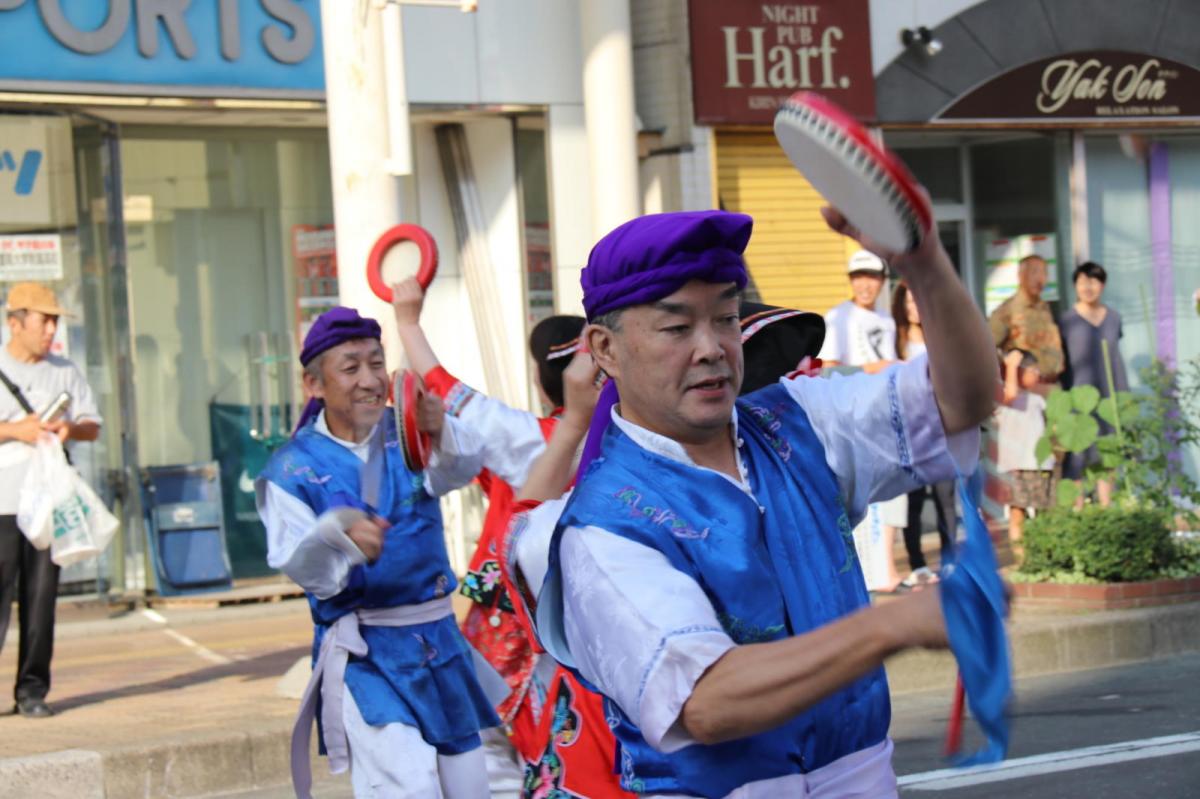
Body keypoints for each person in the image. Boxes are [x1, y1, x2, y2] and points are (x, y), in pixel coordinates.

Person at [522, 207, 996, 797]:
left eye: (725, 317)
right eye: (677, 328)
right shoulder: (603, 527)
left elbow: (963, 400)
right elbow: (706, 701)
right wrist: (892, 624)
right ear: (606, 350)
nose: (712, 348)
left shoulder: (800, 423)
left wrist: (923, 264)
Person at [390, 278, 633, 799]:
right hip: (582, 641)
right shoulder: (636, 444)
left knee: (501, 766)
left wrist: (407, 320)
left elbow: (447, 392)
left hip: (505, 642)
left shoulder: (525, 442)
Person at [255, 306, 499, 799]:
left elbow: (463, 467)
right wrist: (337, 538)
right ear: (314, 384)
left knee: (471, 787)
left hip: (439, 641)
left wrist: (442, 427)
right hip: (368, 653)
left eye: (376, 363)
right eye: (351, 367)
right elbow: (303, 568)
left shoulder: (406, 432)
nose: (370, 380)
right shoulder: (291, 470)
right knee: (406, 787)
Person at [0, 282, 101, 719]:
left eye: (55, 321)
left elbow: (91, 424)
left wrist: (68, 430)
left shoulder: (65, 371)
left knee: (41, 599)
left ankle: (32, 691)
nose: (50, 330)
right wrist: (12, 430)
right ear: (15, 322)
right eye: (44, 320)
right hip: (3, 502)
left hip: (50, 501)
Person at [819, 250, 907, 593]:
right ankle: (859, 576)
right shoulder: (838, 318)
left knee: (890, 496)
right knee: (856, 499)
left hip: (883, 418)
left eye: (872, 277)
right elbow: (825, 371)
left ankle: (885, 571)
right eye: (859, 277)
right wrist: (868, 370)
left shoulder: (886, 320)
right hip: (851, 421)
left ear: (883, 282)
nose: (865, 284)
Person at [988, 254, 1064, 558]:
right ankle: (1023, 554)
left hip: (1049, 395)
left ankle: (1048, 549)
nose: (1040, 279)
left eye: (1044, 272)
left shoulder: (1045, 308)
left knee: (1050, 473)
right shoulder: (1007, 311)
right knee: (1023, 482)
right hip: (1022, 401)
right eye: (1034, 272)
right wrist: (1010, 378)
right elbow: (987, 345)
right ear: (1021, 275)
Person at [892, 282, 955, 588]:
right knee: (913, 501)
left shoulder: (941, 337)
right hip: (909, 430)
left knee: (946, 499)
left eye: (918, 301)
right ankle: (917, 564)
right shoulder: (896, 340)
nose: (914, 308)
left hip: (941, 427)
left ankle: (951, 561)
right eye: (909, 303)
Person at [1059, 261, 1128, 506]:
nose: (1088, 287)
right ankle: (1077, 513)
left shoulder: (1114, 318)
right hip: (1078, 395)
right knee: (1077, 453)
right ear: (1075, 285)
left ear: (1103, 284)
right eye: (1082, 281)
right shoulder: (1066, 320)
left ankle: (1106, 508)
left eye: (1094, 281)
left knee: (1108, 452)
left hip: (1110, 394)